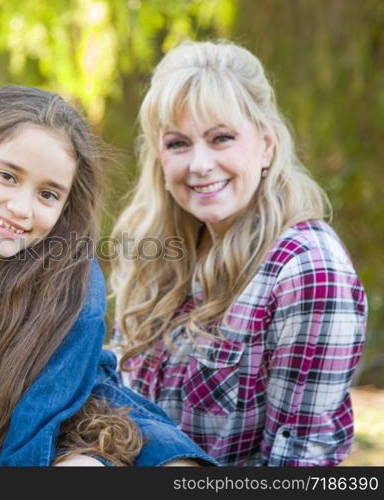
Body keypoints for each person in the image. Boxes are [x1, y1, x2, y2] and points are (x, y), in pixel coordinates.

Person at [0, 85, 216, 467]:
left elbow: (44, 414)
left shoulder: (74, 276)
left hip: (93, 423)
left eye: (48, 195)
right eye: (8, 176)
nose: (21, 208)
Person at [109, 40, 367, 466]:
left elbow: (301, 464)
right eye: (178, 144)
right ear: (159, 155)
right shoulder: (160, 257)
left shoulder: (307, 269)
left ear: (266, 144)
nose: (200, 164)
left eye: (221, 138)